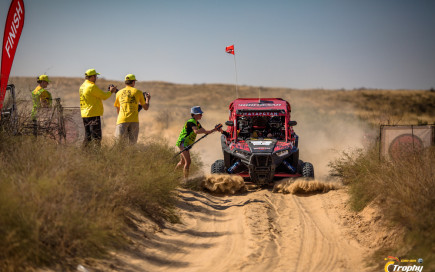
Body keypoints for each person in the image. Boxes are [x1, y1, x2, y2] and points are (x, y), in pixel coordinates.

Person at [176, 106, 219, 179]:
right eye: (200, 114)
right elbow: (196, 131)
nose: (201, 115)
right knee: (188, 162)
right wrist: (205, 131)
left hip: (186, 143)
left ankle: (174, 175)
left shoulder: (197, 123)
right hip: (183, 143)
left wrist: (214, 130)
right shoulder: (191, 122)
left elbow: (204, 131)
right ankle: (185, 180)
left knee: (182, 162)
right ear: (194, 114)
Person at [79, 68, 117, 147]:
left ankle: (83, 153)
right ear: (92, 77)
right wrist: (111, 91)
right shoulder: (91, 86)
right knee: (97, 137)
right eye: (96, 76)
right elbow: (104, 96)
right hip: (93, 114)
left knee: (88, 136)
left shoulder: (82, 86)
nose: (96, 78)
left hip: (85, 114)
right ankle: (97, 155)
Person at [114, 74, 150, 144]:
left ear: (125, 82)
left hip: (122, 120)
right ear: (133, 82)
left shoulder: (118, 93)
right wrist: (147, 99)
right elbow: (146, 107)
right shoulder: (138, 92)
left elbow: (118, 110)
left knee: (119, 144)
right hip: (134, 121)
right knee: (132, 145)